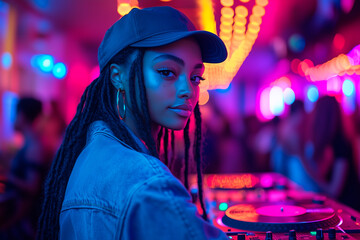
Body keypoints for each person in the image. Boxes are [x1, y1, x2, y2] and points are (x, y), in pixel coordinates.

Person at [38, 6, 228, 240]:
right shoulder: (148, 183)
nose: (188, 90)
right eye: (167, 72)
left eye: (195, 77)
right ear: (118, 77)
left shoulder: (94, 152)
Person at [0, 97, 50, 239]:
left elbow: (32, 187)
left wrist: (7, 177)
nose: (13, 119)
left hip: (21, 223)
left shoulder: (34, 147)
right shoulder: (30, 144)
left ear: (22, 115)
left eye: (15, 114)